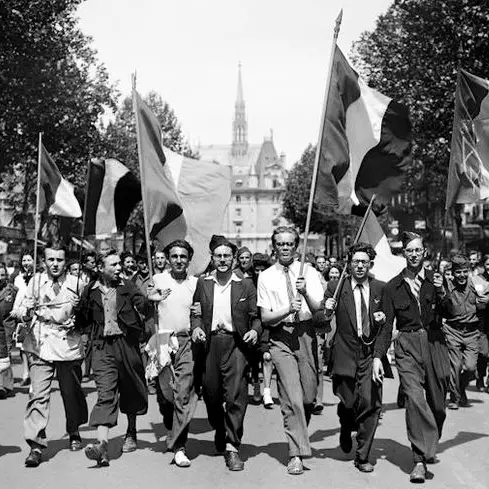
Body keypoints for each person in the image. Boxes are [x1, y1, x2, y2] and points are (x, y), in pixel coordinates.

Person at [373, 232, 450, 483]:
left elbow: (451, 311)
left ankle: (430, 438)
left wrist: (441, 291)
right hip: (407, 344)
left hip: (435, 342)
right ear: (403, 254)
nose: (414, 254)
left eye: (418, 250)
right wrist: (378, 356)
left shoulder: (436, 280)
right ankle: (418, 460)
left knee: (437, 404)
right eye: (409, 251)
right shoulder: (392, 286)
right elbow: (386, 327)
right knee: (415, 399)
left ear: (424, 252)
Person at [257, 226, 323, 475]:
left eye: (289, 244)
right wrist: (287, 309)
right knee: (291, 397)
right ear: (274, 246)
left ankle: (299, 430)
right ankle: (295, 453)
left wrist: (305, 292)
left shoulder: (310, 272)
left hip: (306, 334)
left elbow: (318, 311)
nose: (285, 248)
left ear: (296, 246)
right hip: (280, 337)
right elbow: (265, 318)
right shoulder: (266, 276)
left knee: (307, 397)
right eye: (280, 244)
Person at [191, 235, 261, 471]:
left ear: (233, 259)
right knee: (211, 394)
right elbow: (196, 311)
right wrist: (197, 327)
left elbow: (255, 316)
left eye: (227, 256)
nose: (222, 259)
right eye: (218, 255)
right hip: (211, 345)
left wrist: (254, 331)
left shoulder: (246, 284)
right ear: (212, 258)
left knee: (235, 396)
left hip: (236, 345)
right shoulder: (204, 283)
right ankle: (219, 427)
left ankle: (232, 447)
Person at [320, 243, 388, 473]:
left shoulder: (380, 288)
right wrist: (326, 309)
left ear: (370, 264)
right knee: (349, 402)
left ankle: (363, 455)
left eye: (364, 262)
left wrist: (382, 320)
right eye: (355, 261)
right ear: (349, 263)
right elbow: (319, 320)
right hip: (345, 352)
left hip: (369, 354)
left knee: (370, 403)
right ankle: (345, 423)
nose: (360, 266)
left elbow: (387, 327)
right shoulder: (336, 287)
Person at [77, 250, 148, 467]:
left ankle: (131, 431)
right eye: (114, 264)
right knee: (105, 393)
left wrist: (150, 299)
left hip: (126, 345)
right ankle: (102, 446)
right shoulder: (89, 291)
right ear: (100, 268)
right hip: (102, 348)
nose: (119, 268)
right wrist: (77, 308)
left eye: (119, 264)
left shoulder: (127, 286)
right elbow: (82, 320)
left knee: (130, 388)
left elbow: (142, 304)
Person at [18, 243, 87, 467]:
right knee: (38, 396)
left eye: (59, 260)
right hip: (41, 342)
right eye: (50, 260)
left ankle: (74, 429)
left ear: (66, 261)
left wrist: (78, 315)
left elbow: (88, 316)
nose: (55, 264)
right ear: (44, 261)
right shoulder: (36, 282)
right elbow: (22, 311)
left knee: (71, 393)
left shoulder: (78, 283)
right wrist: (27, 311)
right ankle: (36, 445)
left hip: (68, 344)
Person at [148, 239, 199, 467]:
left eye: (183, 256)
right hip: (162, 341)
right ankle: (170, 419)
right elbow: (142, 308)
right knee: (166, 396)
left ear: (189, 259)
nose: (179, 260)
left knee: (183, 394)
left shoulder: (196, 284)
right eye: (174, 256)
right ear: (168, 259)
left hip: (186, 341)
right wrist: (150, 299)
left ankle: (179, 447)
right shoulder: (156, 280)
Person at [441, 255, 488, 409]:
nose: (461, 275)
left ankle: (461, 386)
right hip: (453, 330)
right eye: (458, 272)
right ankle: (455, 398)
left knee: (470, 368)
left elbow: (485, 298)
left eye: (464, 271)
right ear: (453, 273)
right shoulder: (446, 285)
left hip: (472, 332)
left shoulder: (476, 284)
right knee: (454, 366)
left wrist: (485, 302)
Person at [11, 250, 35, 386]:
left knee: (33, 346)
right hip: (22, 315)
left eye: (29, 260)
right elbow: (16, 297)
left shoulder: (39, 277)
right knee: (22, 346)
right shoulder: (18, 278)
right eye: (24, 260)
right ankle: (26, 373)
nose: (26, 263)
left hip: (34, 315)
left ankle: (34, 374)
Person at [0, 263, 17, 398]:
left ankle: (6, 385)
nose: (0, 277)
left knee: (6, 356)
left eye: (3, 275)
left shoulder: (11, 290)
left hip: (7, 327)